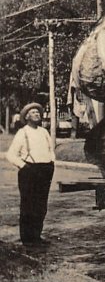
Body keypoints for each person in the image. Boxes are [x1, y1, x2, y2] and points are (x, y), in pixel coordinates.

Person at [6, 103, 56, 246]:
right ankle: (27, 239)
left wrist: (51, 161)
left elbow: (50, 149)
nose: (37, 114)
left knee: (41, 205)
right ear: (27, 116)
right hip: (29, 170)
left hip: (45, 170)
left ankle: (37, 236)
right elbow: (10, 155)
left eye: (38, 112)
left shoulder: (44, 132)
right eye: (33, 112)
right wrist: (24, 166)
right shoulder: (23, 132)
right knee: (28, 205)